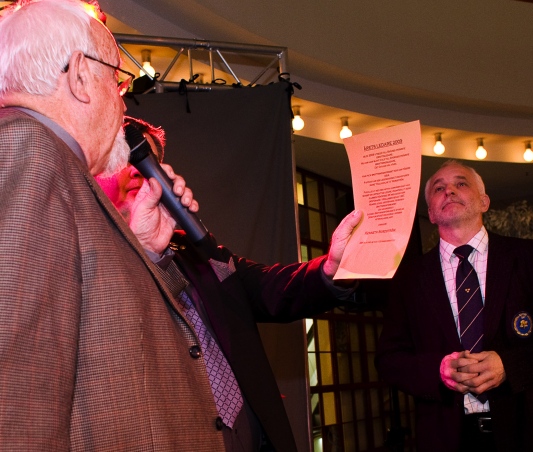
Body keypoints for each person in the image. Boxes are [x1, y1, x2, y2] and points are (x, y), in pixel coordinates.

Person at [0, 1, 360, 450]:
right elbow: (19, 393)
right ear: (79, 75)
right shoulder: (26, 147)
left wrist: (148, 250)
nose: (121, 99)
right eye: (116, 80)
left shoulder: (50, 164)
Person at [95, 116, 362, 451]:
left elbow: (270, 288)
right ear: (95, 171)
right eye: (124, 157)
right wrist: (146, 251)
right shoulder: (87, 259)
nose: (138, 170)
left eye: (148, 161)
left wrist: (332, 267)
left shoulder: (194, 249)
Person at [376, 160, 533, 451]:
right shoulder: (409, 278)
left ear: (484, 201)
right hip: (448, 438)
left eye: (461, 183)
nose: (449, 191)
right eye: (439, 188)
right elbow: (389, 359)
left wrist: (509, 366)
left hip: (532, 431)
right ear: (430, 213)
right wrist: (438, 370)